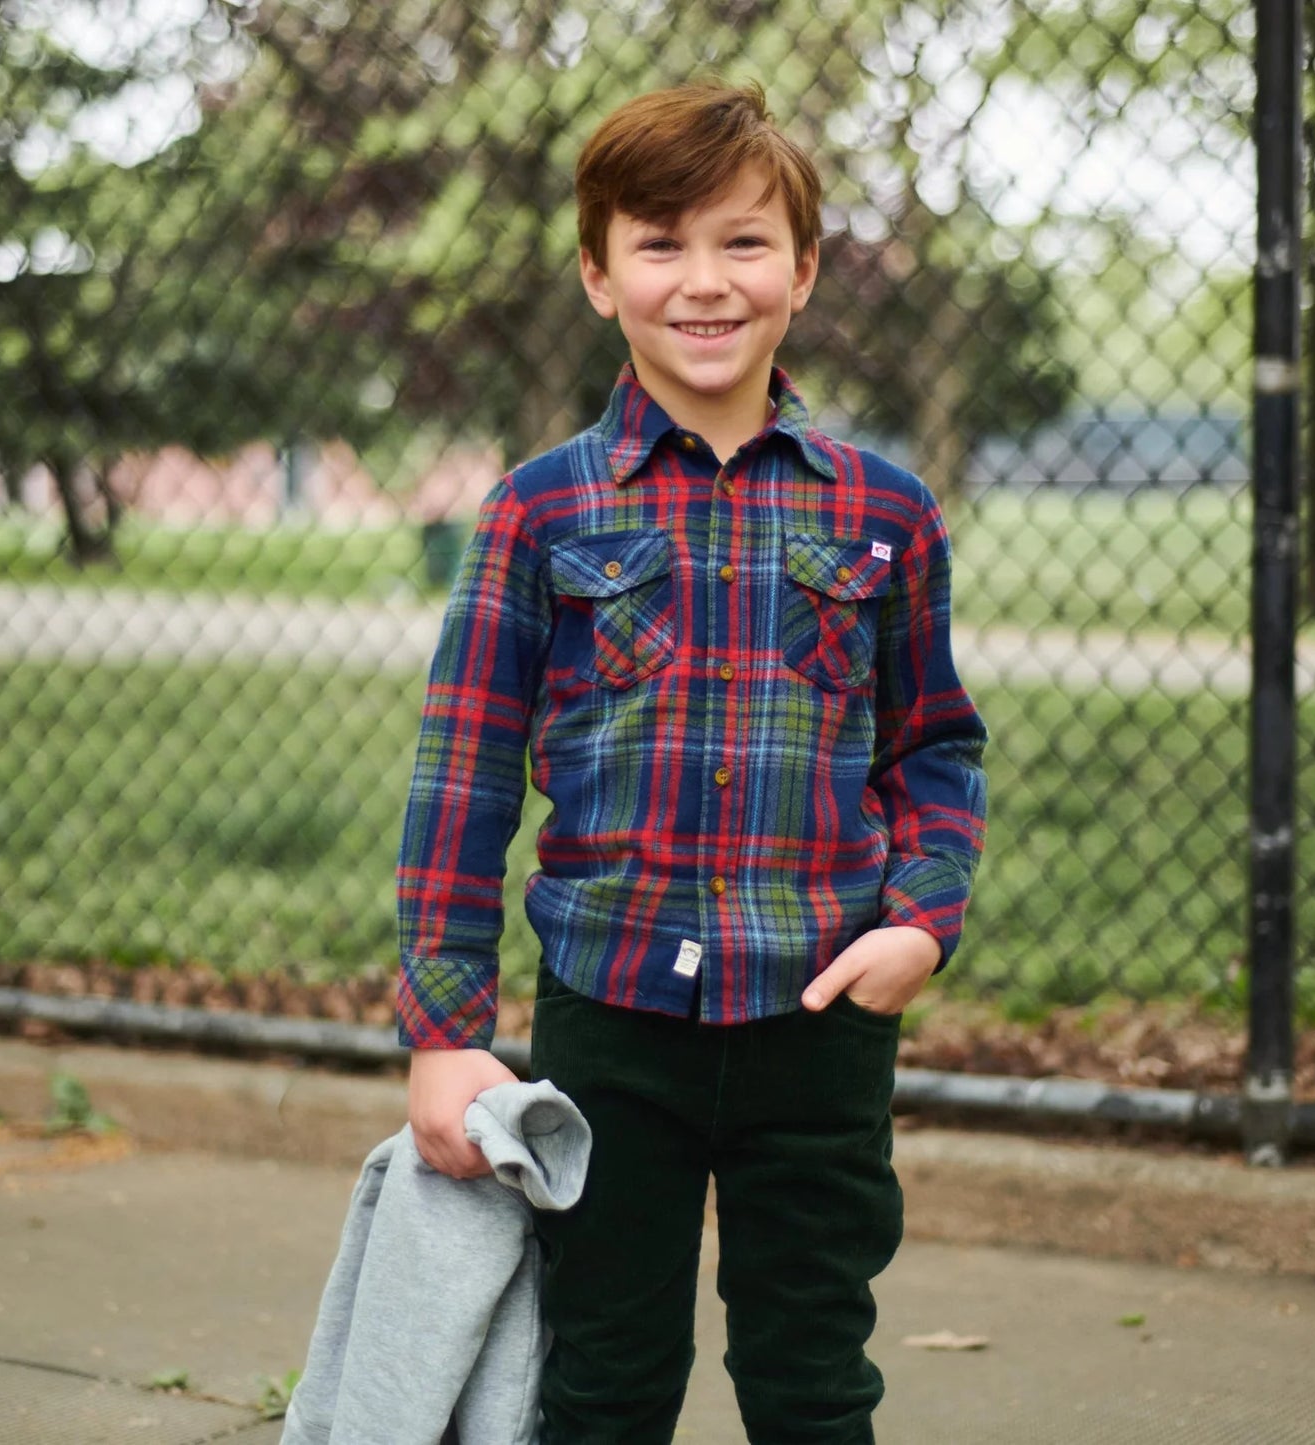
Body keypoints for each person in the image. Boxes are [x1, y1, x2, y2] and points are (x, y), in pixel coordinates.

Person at [396, 79, 988, 1444]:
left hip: (821, 1016)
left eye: (742, 241)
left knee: (812, 1372)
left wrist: (922, 920)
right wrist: (443, 1032)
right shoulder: (540, 507)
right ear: (599, 275)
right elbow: (462, 774)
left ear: (804, 267)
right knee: (601, 1376)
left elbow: (933, 745)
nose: (704, 282)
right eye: (659, 245)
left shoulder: (885, 509)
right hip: (611, 1019)